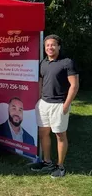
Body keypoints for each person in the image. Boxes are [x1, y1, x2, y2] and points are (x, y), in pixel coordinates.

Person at [30, 34, 79, 178]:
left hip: (59, 105)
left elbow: (74, 85)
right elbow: (40, 82)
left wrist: (66, 105)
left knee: (60, 135)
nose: (50, 47)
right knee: (43, 133)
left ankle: (60, 166)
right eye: (47, 45)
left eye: (53, 45)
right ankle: (47, 162)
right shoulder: (43, 63)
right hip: (44, 104)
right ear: (44, 48)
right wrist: (39, 100)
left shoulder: (67, 62)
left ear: (58, 46)